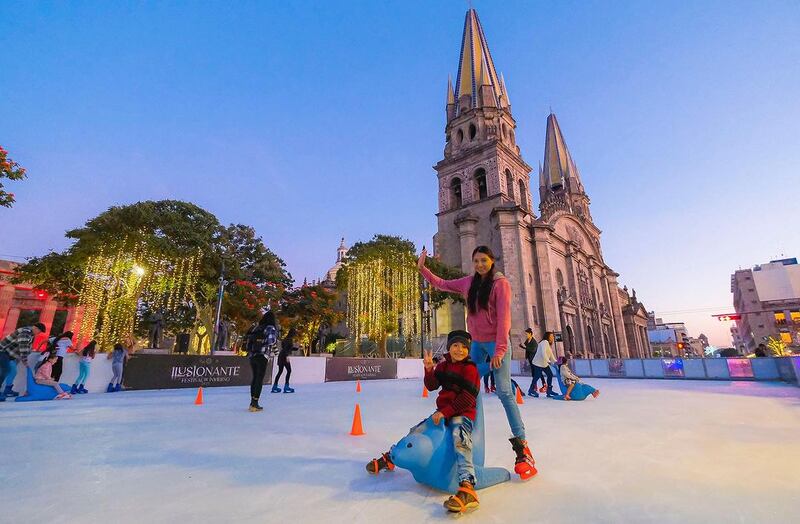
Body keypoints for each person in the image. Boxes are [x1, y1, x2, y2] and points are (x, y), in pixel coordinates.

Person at [418, 246, 536, 479]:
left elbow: (504, 319)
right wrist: (423, 269)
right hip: (476, 345)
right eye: (476, 261)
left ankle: (523, 448)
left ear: (492, 261)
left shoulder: (500, 284)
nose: (480, 264)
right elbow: (442, 283)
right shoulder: (468, 283)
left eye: (484, 260)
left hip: (495, 344)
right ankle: (462, 437)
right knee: (467, 388)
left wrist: (500, 350)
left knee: (503, 391)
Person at [366, 330, 481, 513]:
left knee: (460, 440)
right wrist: (429, 369)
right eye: (455, 346)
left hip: (463, 413)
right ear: (449, 347)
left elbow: (468, 398)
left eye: (464, 347)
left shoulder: (470, 369)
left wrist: (446, 412)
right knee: (417, 430)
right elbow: (432, 385)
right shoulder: (444, 366)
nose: (459, 350)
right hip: (442, 412)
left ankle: (467, 487)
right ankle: (392, 457)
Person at [0, 322, 45, 402]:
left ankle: (8, 389)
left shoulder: (30, 335)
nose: (39, 333)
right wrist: (25, 360)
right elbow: (23, 346)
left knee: (13, 371)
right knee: (5, 370)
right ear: (35, 328)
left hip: (10, 355)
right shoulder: (25, 332)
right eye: (39, 331)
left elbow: (27, 348)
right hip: (3, 352)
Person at [530, 332, 558, 398]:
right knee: (537, 376)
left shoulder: (548, 344)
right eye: (551, 336)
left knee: (550, 375)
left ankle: (549, 391)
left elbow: (551, 354)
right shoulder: (544, 342)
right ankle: (531, 390)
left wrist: (556, 362)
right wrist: (549, 362)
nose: (552, 337)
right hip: (538, 363)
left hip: (544, 363)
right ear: (547, 337)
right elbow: (543, 353)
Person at [520, 328, 545, 394]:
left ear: (530, 334)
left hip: (535, 359)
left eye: (527, 334)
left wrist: (524, 347)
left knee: (538, 372)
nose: (526, 335)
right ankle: (535, 385)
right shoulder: (528, 340)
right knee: (534, 372)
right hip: (530, 359)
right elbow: (526, 345)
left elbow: (533, 350)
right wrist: (522, 346)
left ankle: (544, 384)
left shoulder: (534, 342)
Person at [272, 328, 295, 394]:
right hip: (284, 356)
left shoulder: (285, 339)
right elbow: (286, 348)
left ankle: (275, 386)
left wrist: (294, 349)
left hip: (281, 355)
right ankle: (286, 386)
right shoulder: (289, 340)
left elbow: (286, 347)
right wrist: (287, 355)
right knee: (289, 370)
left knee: (280, 371)